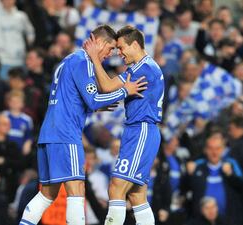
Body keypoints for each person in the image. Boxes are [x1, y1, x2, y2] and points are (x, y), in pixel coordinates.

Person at [19, 24, 146, 225]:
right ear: (98, 42)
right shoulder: (83, 62)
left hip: (48, 134)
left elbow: (73, 99)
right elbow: (94, 99)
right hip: (66, 134)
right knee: (77, 190)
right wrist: (125, 91)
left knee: (47, 195)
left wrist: (94, 107)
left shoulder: (66, 62)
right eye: (110, 48)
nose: (109, 54)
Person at [84, 25, 164, 225]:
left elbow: (106, 86)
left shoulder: (143, 69)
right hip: (139, 130)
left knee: (116, 187)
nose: (119, 54)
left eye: (121, 48)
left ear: (135, 44)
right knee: (137, 195)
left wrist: (94, 57)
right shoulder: (145, 66)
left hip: (141, 131)